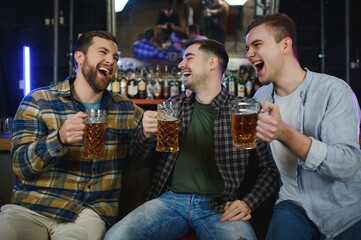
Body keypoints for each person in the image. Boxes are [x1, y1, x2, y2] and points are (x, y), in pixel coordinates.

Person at [105, 39, 279, 240]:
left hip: (220, 206)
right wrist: (145, 134)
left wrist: (249, 202)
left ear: (211, 63)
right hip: (170, 201)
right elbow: (137, 157)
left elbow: (270, 169)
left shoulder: (244, 110)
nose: (180, 64)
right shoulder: (174, 105)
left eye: (189, 57)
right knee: (115, 237)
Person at [0, 30, 144, 239]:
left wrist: (153, 127)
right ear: (80, 57)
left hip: (88, 212)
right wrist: (58, 139)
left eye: (115, 57)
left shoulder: (125, 108)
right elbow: (21, 166)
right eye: (103, 52)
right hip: (33, 206)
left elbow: (154, 139)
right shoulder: (39, 100)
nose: (110, 61)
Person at [245, 13, 361, 240]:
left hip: (343, 208)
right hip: (292, 203)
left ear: (285, 44)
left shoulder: (334, 90)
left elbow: (348, 165)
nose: (249, 54)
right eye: (247, 47)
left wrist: (285, 133)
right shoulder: (261, 96)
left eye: (256, 44)